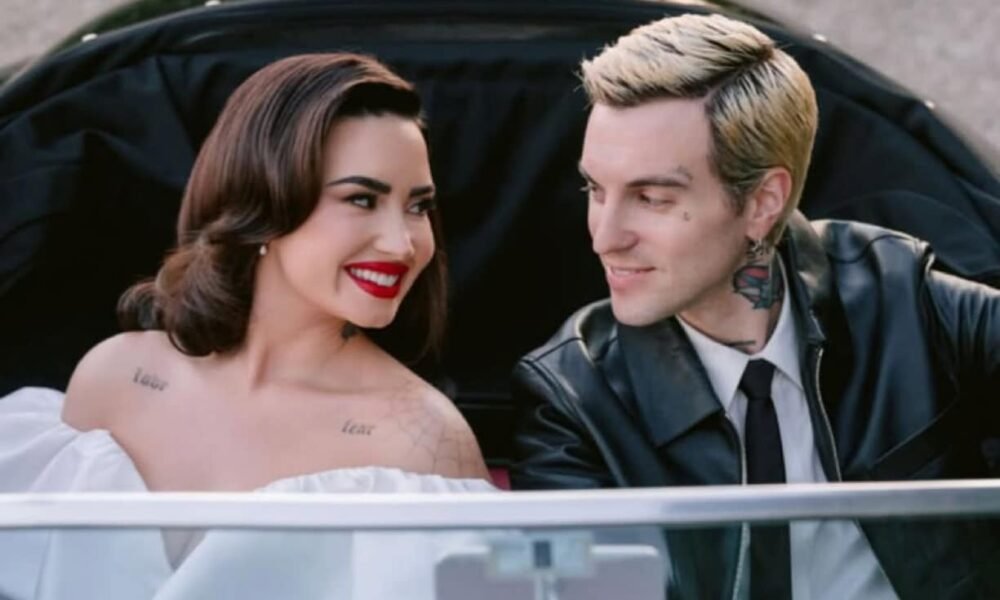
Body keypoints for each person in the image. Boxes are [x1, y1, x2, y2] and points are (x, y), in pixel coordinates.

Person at [509, 12, 1000, 600]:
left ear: (763, 202)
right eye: (595, 189)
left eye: (652, 198)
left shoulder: (899, 297)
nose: (605, 237)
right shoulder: (574, 396)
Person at [0, 52, 493, 599]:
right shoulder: (115, 378)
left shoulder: (420, 442)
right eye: (361, 198)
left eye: (418, 207)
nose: (403, 244)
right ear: (263, 200)